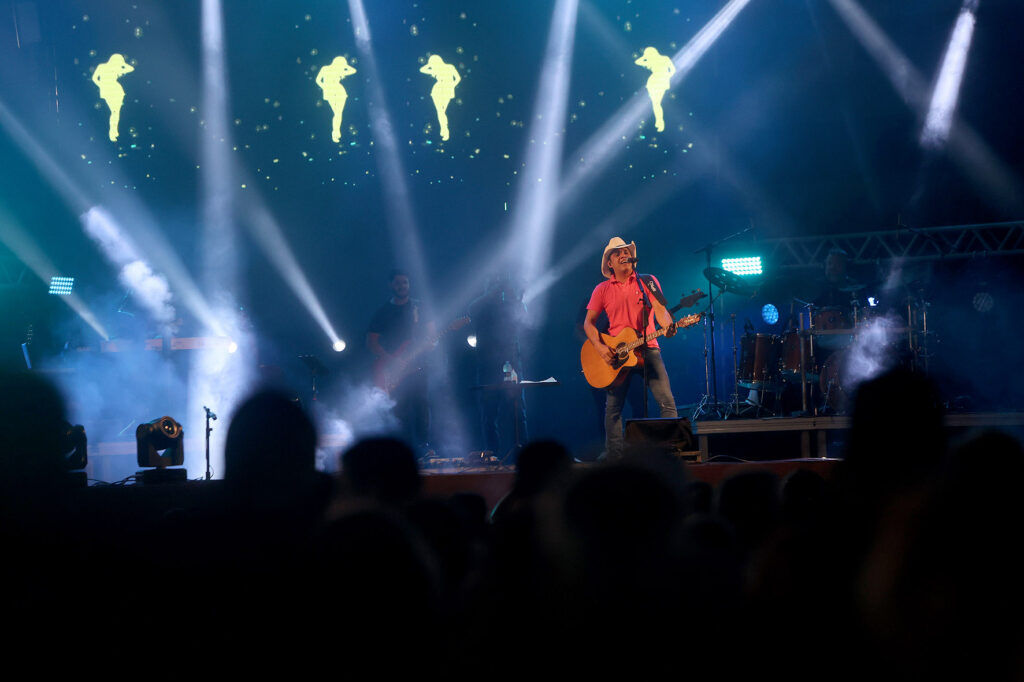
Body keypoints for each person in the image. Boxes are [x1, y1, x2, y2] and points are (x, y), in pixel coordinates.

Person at [583, 237, 678, 459]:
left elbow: (660, 309)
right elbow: (589, 323)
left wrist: (668, 327)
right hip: (618, 354)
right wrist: (599, 347)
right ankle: (614, 458)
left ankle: (670, 455)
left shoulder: (648, 281)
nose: (623, 255)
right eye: (617, 253)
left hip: (648, 347)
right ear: (610, 263)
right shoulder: (602, 289)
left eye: (626, 251)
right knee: (613, 410)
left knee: (667, 402)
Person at [367, 269, 435, 454]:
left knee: (421, 405)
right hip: (395, 368)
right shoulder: (383, 312)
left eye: (405, 283)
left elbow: (431, 334)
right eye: (398, 283)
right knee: (399, 409)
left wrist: (430, 343)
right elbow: (372, 342)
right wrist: (391, 360)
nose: (402, 286)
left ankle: (424, 448)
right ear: (391, 285)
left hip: (419, 366)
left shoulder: (419, 308)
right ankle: (401, 451)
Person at [468, 273, 528, 457]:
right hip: (487, 365)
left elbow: (524, 319)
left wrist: (515, 297)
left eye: (501, 284)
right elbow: (471, 310)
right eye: (494, 284)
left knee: (517, 409)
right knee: (489, 413)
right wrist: (492, 293)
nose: (499, 288)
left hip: (510, 363)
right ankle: (492, 454)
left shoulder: (510, 304)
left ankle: (522, 453)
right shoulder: (481, 306)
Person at [92, 53, 134, 142]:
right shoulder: (104, 67)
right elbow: (94, 78)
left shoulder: (113, 68)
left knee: (115, 112)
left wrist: (101, 86)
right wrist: (101, 85)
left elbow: (131, 69)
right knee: (114, 112)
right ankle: (113, 132)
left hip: (114, 90)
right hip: (110, 90)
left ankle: (114, 132)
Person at [419, 54, 461, 141]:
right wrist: (429, 65)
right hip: (438, 90)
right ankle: (445, 130)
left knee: (442, 111)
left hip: (447, 89)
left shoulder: (449, 67)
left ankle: (444, 129)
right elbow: (421, 70)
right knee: (440, 111)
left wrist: (452, 85)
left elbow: (458, 78)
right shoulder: (436, 70)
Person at [316, 56, 357, 143]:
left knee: (338, 113)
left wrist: (345, 66)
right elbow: (318, 80)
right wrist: (324, 87)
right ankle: (335, 132)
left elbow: (354, 71)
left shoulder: (339, 71)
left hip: (339, 91)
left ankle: (336, 133)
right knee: (337, 113)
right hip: (330, 91)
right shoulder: (325, 68)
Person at [635, 47, 675, 133]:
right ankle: (659, 121)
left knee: (656, 103)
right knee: (656, 103)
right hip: (655, 82)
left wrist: (645, 57)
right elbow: (637, 62)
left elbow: (673, 70)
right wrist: (668, 76)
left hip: (658, 81)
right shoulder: (661, 59)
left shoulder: (662, 59)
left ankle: (660, 121)